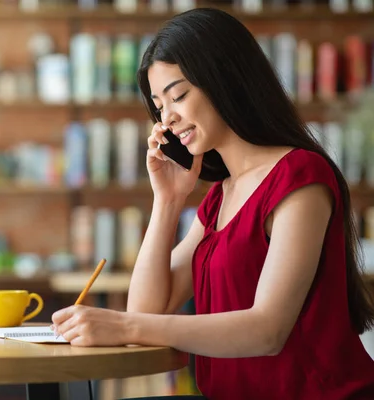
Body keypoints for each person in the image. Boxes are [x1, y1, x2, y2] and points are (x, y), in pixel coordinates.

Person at [51, 7, 374, 400]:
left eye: (179, 96)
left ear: (225, 81)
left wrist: (123, 326)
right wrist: (168, 201)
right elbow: (148, 308)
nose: (166, 118)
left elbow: (268, 330)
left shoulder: (300, 177)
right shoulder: (220, 196)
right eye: (158, 106)